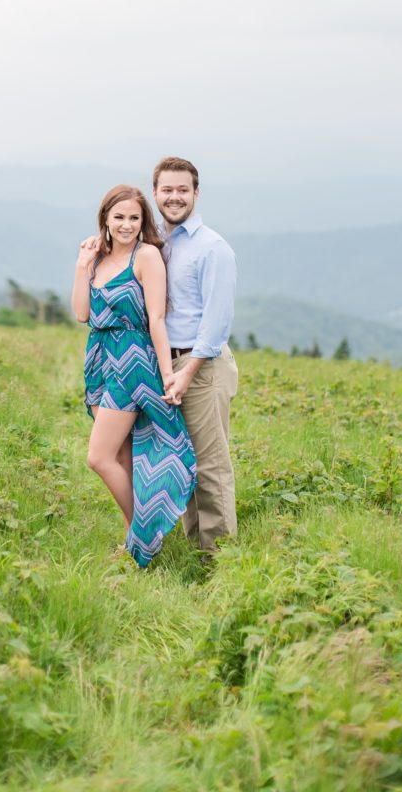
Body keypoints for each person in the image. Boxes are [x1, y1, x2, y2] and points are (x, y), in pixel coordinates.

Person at [72, 185, 197, 567]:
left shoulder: (146, 256)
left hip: (133, 362)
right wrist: (81, 266)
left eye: (134, 218)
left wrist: (168, 376)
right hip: (100, 360)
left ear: (143, 222)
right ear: (105, 220)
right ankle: (138, 550)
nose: (126, 225)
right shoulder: (97, 257)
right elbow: (82, 314)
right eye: (119, 217)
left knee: (98, 457)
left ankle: (141, 537)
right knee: (122, 458)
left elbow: (156, 319)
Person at [152, 156, 238, 553]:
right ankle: (196, 551)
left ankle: (220, 561)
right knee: (184, 461)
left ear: (196, 194)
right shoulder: (156, 243)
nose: (174, 197)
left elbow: (217, 323)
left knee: (210, 464)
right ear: (155, 193)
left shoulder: (212, 248)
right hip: (165, 363)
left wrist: (186, 373)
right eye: (167, 190)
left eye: (182, 190)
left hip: (200, 365)